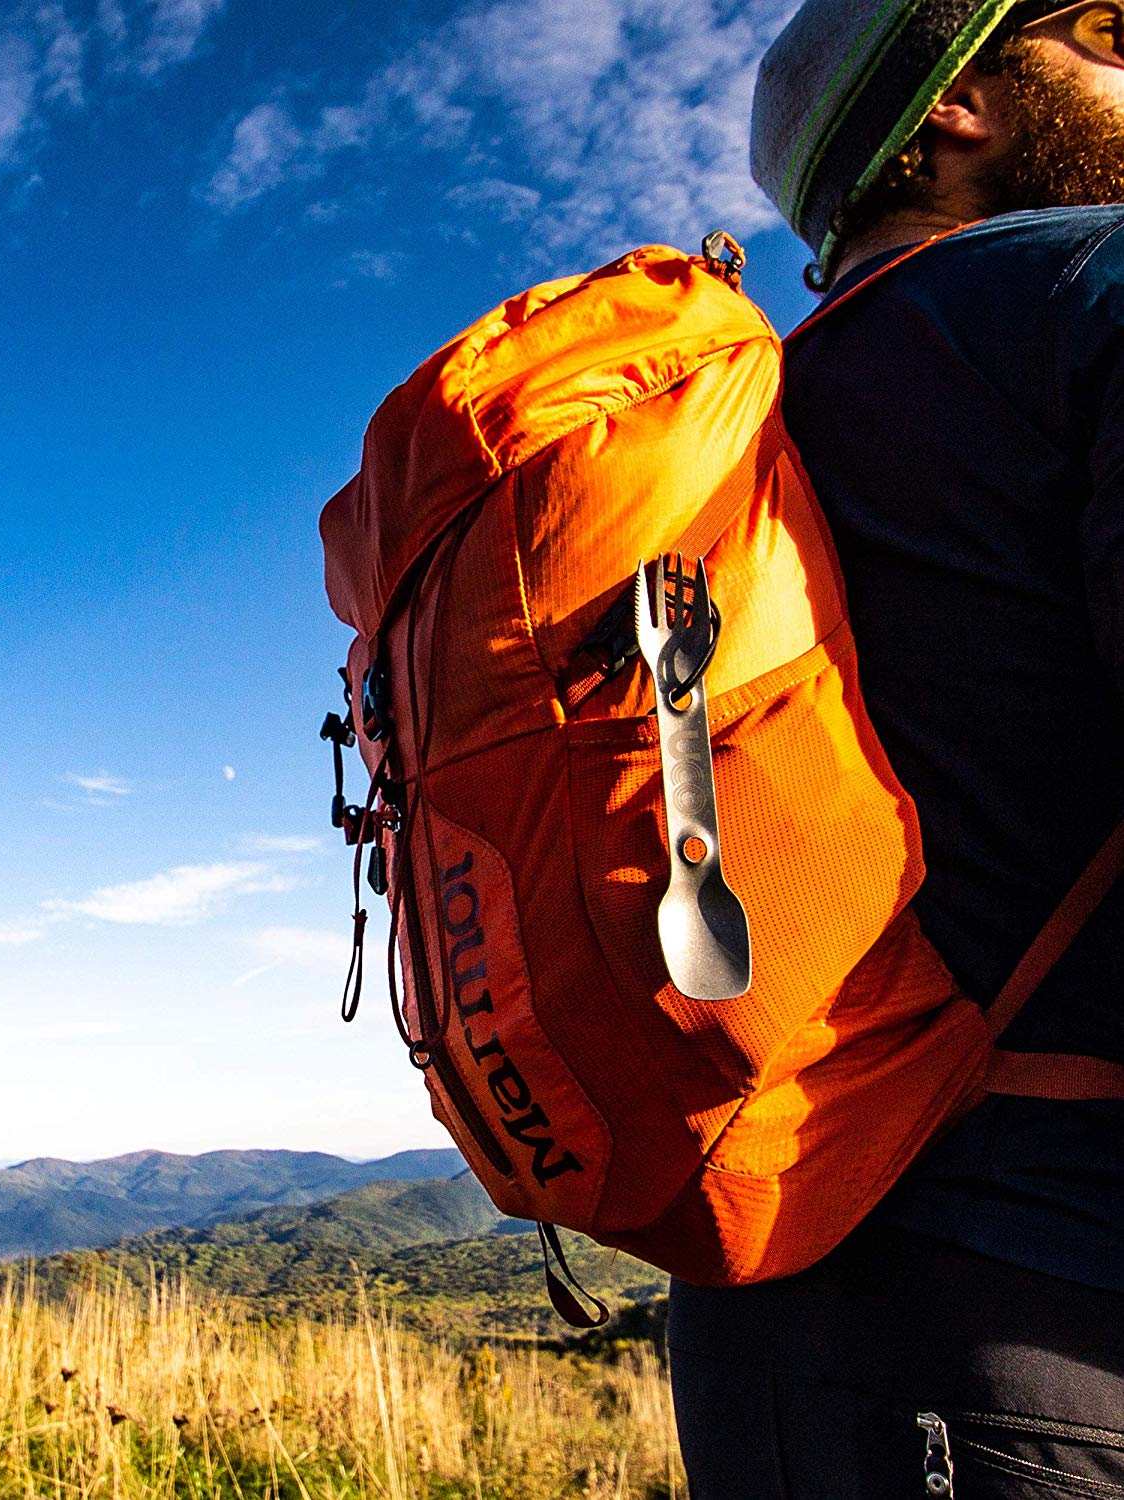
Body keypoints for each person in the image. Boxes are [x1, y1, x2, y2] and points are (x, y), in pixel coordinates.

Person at [665, 2, 1124, 1495]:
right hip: (1059, 1308)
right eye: (1108, 28)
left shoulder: (732, 447)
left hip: (760, 1308)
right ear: (961, 104)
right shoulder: (1092, 293)